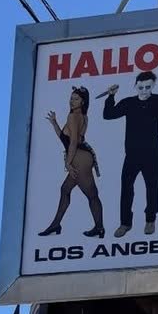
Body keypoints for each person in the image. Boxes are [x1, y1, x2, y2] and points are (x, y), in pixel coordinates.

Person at [99, 71, 158, 237]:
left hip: (152, 153)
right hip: (132, 154)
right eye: (141, 87)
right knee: (126, 188)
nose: (144, 91)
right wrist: (111, 96)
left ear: (153, 85)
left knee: (152, 187)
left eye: (148, 87)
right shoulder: (128, 103)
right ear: (135, 86)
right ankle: (125, 223)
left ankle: (150, 220)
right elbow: (108, 115)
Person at [39, 87, 104, 238]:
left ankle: (99, 227)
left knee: (91, 194)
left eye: (76, 99)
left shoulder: (74, 116)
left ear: (82, 102)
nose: (71, 101)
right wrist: (54, 123)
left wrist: (68, 163)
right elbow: (66, 139)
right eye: (71, 98)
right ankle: (56, 224)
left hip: (79, 158)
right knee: (65, 189)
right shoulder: (82, 116)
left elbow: (73, 142)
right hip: (82, 156)